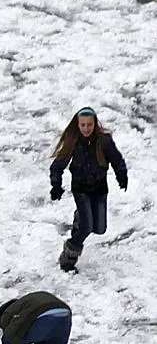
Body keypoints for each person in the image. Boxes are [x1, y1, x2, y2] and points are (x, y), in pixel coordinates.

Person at [50, 107, 127, 272]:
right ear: (77, 125)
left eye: (89, 125)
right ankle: (68, 258)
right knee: (86, 227)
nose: (86, 128)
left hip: (99, 189)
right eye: (83, 125)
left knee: (99, 228)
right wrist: (56, 185)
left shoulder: (104, 140)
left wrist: (122, 176)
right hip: (81, 189)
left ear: (95, 124)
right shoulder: (73, 141)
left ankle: (80, 217)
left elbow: (116, 159)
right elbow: (57, 166)